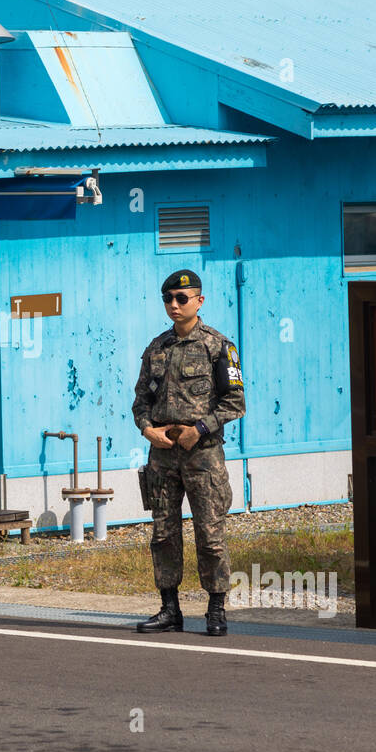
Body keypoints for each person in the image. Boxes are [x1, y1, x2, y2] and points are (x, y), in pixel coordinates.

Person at [131, 269, 245, 635]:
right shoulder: (157, 348)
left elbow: (235, 403)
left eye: (182, 299)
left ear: (200, 300)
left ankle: (215, 611)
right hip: (163, 456)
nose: (175, 305)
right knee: (163, 534)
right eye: (168, 299)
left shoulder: (218, 346)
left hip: (203, 456)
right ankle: (169, 609)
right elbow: (140, 401)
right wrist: (148, 429)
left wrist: (199, 429)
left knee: (210, 534)